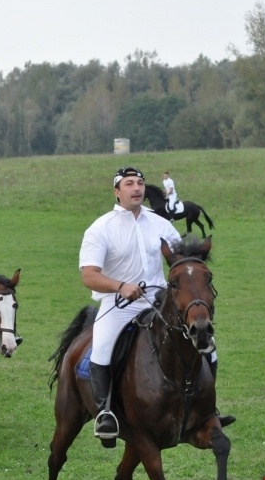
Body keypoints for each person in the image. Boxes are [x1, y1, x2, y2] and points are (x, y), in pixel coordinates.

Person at [79, 166, 233, 443]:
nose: (137, 188)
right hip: (118, 305)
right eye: (128, 184)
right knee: (100, 349)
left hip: (160, 301)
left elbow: (181, 259)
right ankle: (105, 415)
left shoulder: (160, 224)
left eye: (139, 183)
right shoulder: (101, 228)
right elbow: (89, 275)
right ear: (117, 192)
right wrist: (121, 286)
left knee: (207, 345)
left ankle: (207, 408)